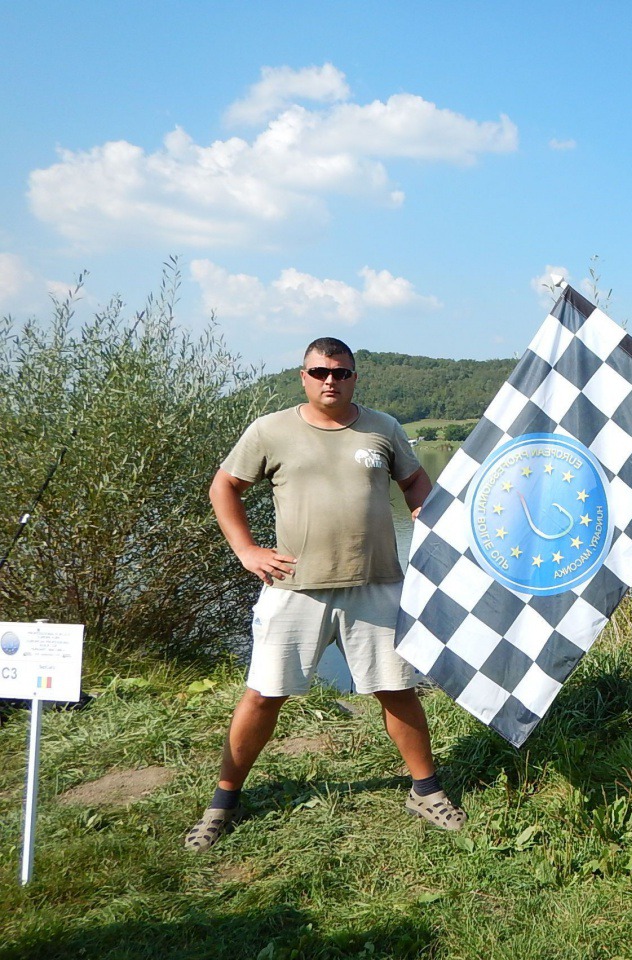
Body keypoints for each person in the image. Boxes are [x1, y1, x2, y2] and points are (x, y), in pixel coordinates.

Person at [184, 337, 465, 852]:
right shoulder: (269, 430)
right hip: (294, 589)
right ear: (303, 376)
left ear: (355, 376)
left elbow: (416, 483)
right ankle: (223, 801)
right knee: (264, 694)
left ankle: (426, 791)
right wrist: (246, 550)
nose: (329, 380)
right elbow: (223, 486)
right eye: (319, 372)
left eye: (340, 372)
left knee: (397, 689)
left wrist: (432, 517)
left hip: (376, 584)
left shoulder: (384, 427)